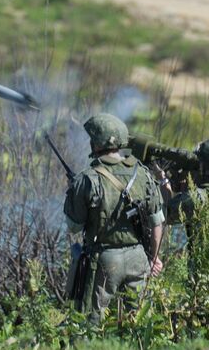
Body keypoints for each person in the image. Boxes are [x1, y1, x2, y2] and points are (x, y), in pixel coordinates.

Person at [63, 113, 165, 323]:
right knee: (140, 321)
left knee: (91, 322)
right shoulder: (143, 174)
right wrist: (154, 257)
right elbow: (157, 223)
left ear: (95, 144)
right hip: (139, 257)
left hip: (104, 260)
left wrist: (76, 193)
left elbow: (74, 227)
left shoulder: (87, 179)